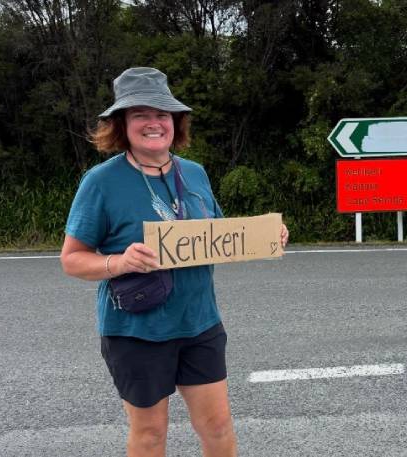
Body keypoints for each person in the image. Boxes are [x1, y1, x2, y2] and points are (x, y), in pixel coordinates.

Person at [60, 67, 289, 457]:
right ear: (122, 125)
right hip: (136, 331)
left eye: (162, 114)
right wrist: (120, 262)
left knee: (217, 426)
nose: (154, 123)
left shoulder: (195, 174)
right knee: (150, 434)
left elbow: (216, 236)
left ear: (175, 122)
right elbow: (72, 259)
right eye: (140, 115)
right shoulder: (101, 182)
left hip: (199, 323)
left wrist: (265, 238)